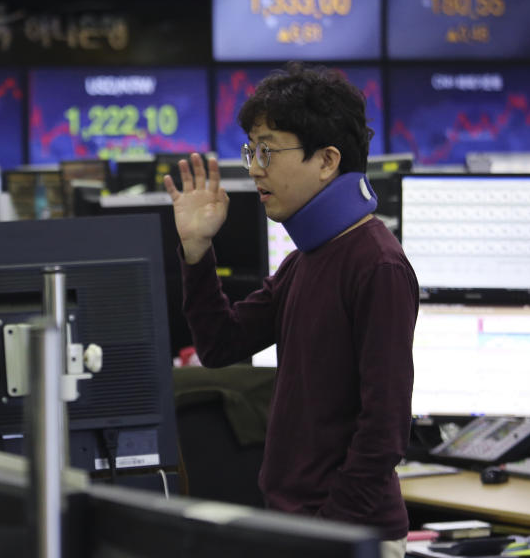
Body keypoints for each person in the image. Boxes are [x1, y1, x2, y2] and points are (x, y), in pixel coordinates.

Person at [164, 63, 417, 558]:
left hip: (346, 536)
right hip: (302, 529)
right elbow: (220, 345)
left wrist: (328, 533)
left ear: (326, 160)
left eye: (268, 150)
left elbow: (384, 431)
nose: (254, 167)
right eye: (250, 150)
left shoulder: (377, 265)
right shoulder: (306, 259)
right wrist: (196, 250)